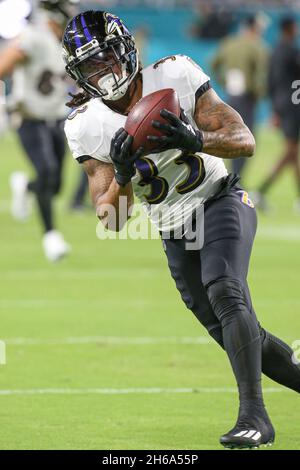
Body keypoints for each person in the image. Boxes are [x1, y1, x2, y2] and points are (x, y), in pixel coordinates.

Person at [63, 10, 300, 449]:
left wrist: (196, 138)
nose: (106, 73)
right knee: (241, 334)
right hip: (173, 229)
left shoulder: (175, 74)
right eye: (93, 68)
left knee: (226, 290)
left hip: (220, 199)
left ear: (127, 50)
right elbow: (112, 219)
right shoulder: (85, 124)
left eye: (109, 59)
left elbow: (243, 140)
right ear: (80, 75)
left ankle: (256, 418)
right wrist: (120, 173)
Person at [0, 0, 79, 261]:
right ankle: (51, 237)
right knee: (47, 170)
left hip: (56, 118)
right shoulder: (35, 37)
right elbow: (4, 65)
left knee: (54, 184)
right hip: (30, 117)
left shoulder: (63, 43)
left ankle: (25, 185)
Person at [252, 17, 300, 213]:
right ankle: (260, 191)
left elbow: (270, 82)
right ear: (290, 28)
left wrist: (274, 108)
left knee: (292, 152)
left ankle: (266, 192)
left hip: (282, 105)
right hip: (293, 106)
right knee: (290, 152)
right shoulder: (291, 52)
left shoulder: (274, 52)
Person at [211, 13, 269, 177]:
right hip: (247, 98)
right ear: (255, 27)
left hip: (230, 96)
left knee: (229, 134)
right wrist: (260, 92)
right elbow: (262, 74)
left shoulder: (229, 43)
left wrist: (223, 82)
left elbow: (214, 63)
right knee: (246, 138)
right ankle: (236, 177)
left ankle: (226, 175)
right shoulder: (257, 46)